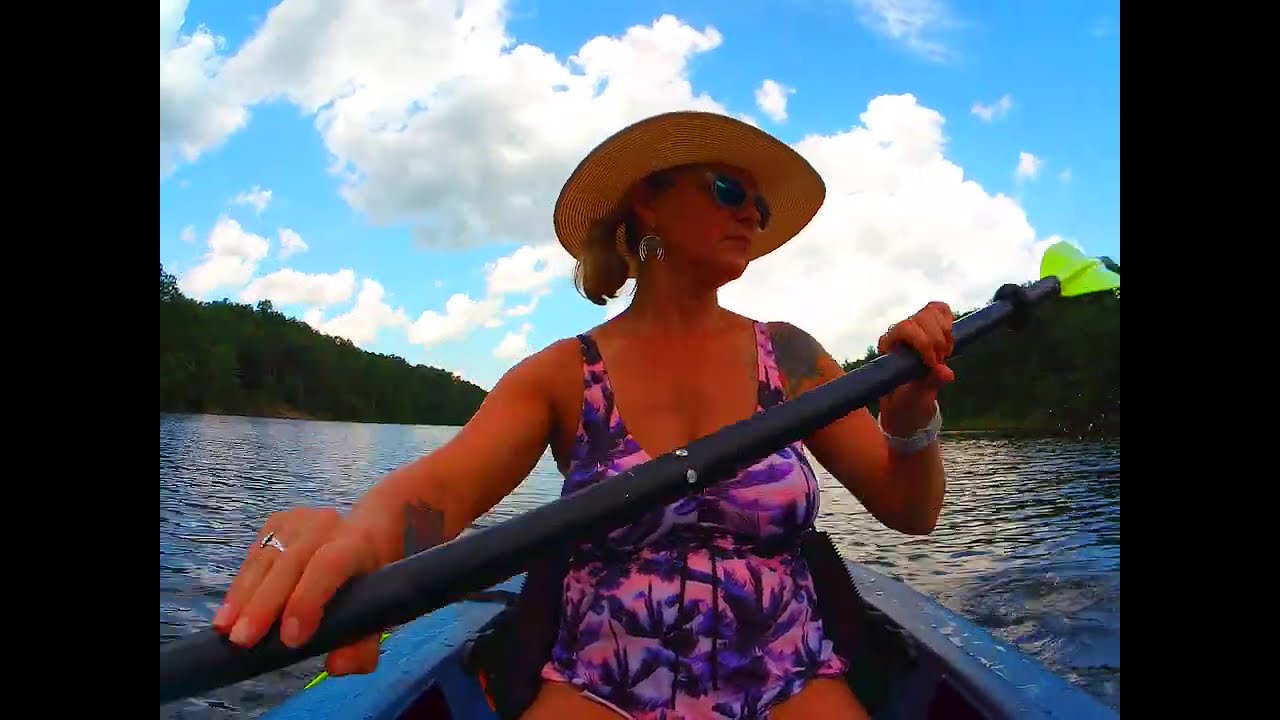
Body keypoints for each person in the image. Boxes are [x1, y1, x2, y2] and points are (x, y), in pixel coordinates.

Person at [210, 111, 957, 719]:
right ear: (648, 200)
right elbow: (438, 493)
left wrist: (911, 413)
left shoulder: (790, 356)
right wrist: (361, 542)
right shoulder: (565, 373)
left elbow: (910, 510)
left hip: (787, 674)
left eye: (758, 208)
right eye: (729, 190)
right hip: (601, 685)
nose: (750, 215)